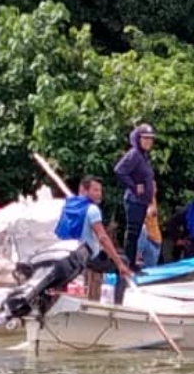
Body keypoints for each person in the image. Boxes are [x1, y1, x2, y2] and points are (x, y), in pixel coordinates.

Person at [54, 176, 134, 301]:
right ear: (84, 191)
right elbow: (103, 238)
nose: (99, 194)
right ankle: (117, 304)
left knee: (109, 255)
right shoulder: (92, 209)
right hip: (87, 258)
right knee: (123, 261)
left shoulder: (68, 205)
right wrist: (119, 264)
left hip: (68, 255)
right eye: (95, 190)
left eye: (100, 191)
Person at [113, 123, 158, 271]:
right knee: (132, 233)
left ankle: (131, 263)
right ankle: (128, 265)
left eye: (150, 139)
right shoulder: (134, 154)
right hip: (134, 200)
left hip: (142, 201)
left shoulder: (143, 156)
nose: (148, 141)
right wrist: (133, 186)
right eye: (145, 138)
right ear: (138, 139)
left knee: (136, 233)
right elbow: (119, 170)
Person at [137, 199, 163, 269]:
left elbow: (152, 211)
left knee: (149, 272)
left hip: (153, 241)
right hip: (144, 240)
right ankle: (138, 255)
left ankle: (138, 255)